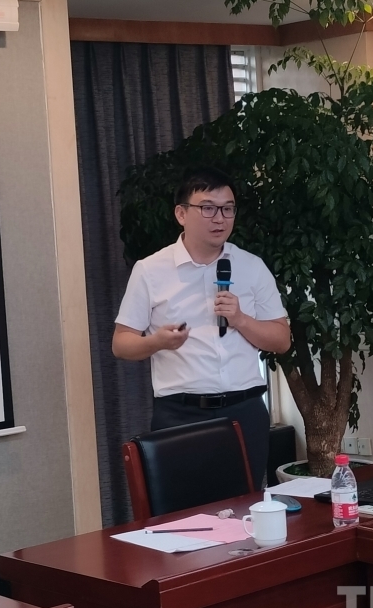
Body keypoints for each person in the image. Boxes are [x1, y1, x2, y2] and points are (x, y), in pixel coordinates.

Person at [113, 167, 291, 487]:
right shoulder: (150, 270)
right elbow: (121, 343)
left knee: (246, 507)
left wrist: (241, 320)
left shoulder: (252, 267)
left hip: (245, 411)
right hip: (180, 415)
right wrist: (157, 342)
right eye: (208, 208)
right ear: (181, 214)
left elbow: (281, 340)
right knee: (184, 510)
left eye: (227, 209)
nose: (219, 218)